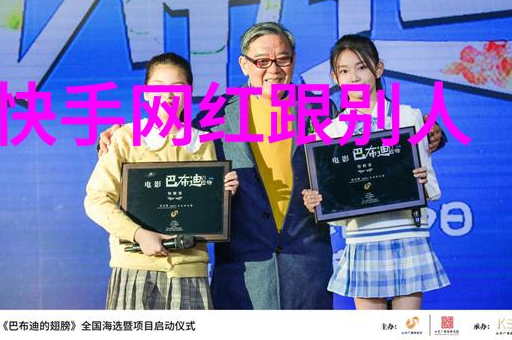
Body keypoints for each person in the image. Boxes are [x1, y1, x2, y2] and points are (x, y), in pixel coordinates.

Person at [98, 22, 446, 309]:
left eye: (282, 59)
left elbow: (370, 135)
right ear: (244, 65)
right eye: (262, 61)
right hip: (243, 272)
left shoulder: (321, 110)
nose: (273, 69)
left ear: (293, 62)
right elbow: (170, 133)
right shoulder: (216, 116)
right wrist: (114, 134)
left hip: (307, 265)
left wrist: (430, 134)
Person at [301, 34, 450, 310]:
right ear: (335, 78)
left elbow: (429, 183)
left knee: (408, 329)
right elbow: (334, 203)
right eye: (344, 71)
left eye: (362, 67)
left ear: (378, 69)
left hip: (408, 235)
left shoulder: (409, 117)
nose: (354, 77)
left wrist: (421, 181)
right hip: (363, 238)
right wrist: (318, 202)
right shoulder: (331, 132)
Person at [84, 52, 239, 310]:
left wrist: (222, 194)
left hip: (189, 269)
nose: (167, 95)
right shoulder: (124, 138)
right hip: (134, 267)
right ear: (145, 93)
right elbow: (97, 200)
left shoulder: (203, 142)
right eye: (158, 87)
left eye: (178, 87)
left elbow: (205, 210)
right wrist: (138, 234)